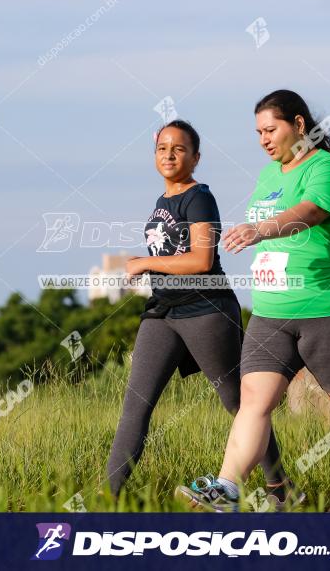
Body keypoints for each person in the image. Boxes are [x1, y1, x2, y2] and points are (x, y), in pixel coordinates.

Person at [178, 90, 330, 512]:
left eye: (271, 129)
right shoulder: (269, 176)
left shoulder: (327, 168)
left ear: (298, 125)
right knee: (254, 401)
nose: (263, 139)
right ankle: (227, 488)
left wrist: (263, 229)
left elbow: (311, 211)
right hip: (272, 311)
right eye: (258, 133)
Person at [106, 119, 302, 509]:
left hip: (206, 309)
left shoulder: (199, 198)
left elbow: (201, 260)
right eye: (162, 148)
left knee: (239, 403)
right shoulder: (163, 201)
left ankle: (281, 489)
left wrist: (145, 263)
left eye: (179, 149)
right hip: (162, 311)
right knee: (136, 406)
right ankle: (106, 498)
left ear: (195, 157)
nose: (169, 155)